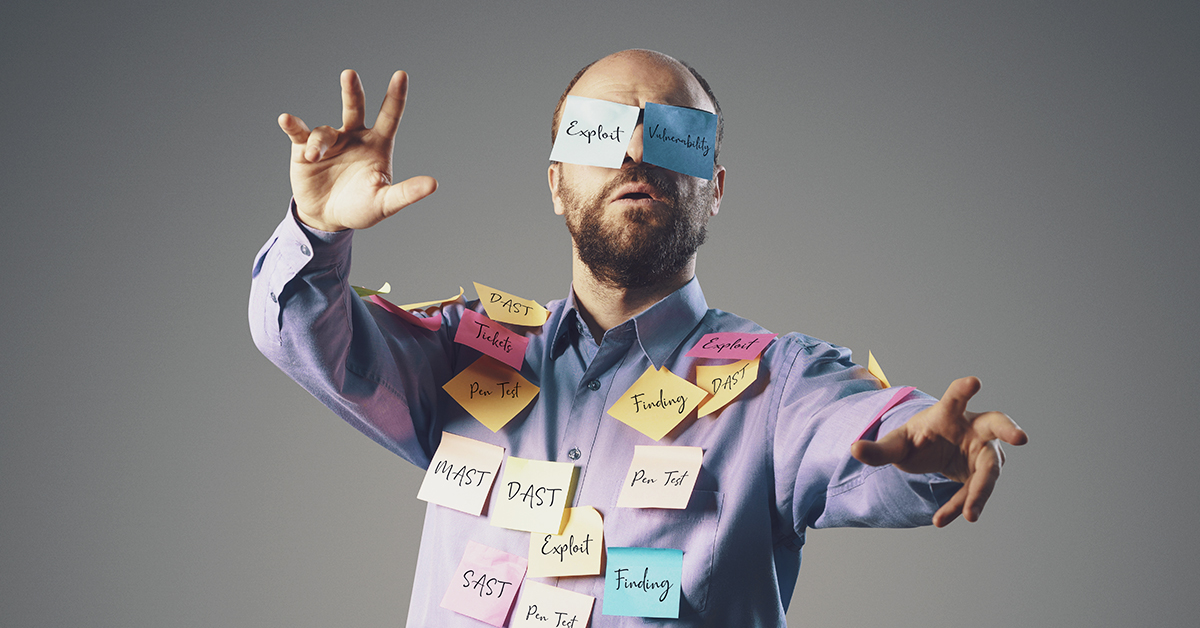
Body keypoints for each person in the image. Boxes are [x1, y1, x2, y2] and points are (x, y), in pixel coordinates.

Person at [249, 49, 1027, 627]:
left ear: (713, 190)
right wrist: (316, 230)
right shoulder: (463, 353)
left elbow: (863, 435)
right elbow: (300, 334)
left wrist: (929, 443)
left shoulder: (776, 386)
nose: (633, 153)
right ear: (556, 182)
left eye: (673, 135)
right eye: (599, 133)